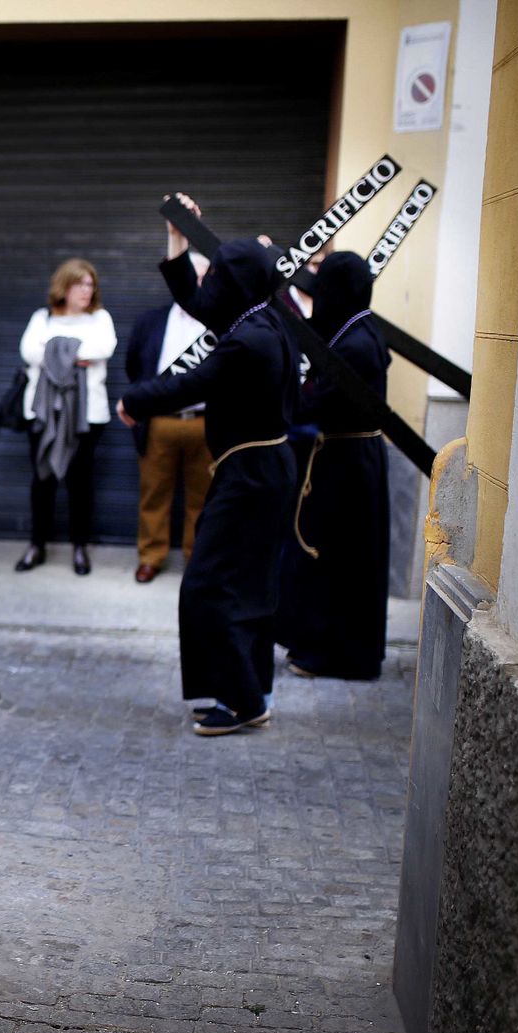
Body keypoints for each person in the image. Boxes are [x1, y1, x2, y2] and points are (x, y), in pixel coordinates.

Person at [117, 194, 300, 737]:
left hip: (250, 478)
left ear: (235, 281)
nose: (210, 281)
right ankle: (253, 692)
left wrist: (134, 400)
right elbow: (198, 301)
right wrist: (179, 235)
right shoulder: (263, 319)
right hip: (262, 471)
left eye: (217, 272)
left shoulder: (248, 341)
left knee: (207, 586)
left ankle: (241, 702)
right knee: (248, 588)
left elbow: (190, 384)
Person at [274, 251, 391, 680]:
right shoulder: (356, 328)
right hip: (345, 458)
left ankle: (339, 655)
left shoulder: (357, 343)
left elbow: (318, 401)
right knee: (334, 554)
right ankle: (319, 642)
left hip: (349, 464)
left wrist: (278, 401)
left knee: (342, 559)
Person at [13, 258, 118, 576]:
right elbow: (30, 352)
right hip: (43, 414)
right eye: (80, 284)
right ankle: (37, 545)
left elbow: (103, 349)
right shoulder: (42, 317)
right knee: (42, 480)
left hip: (87, 416)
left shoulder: (100, 318)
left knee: (80, 482)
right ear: (64, 286)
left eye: (91, 284)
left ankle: (79, 547)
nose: (87, 290)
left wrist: (54, 351)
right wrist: (73, 354)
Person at [124, 247, 213, 583]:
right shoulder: (152, 321)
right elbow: (135, 366)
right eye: (192, 276)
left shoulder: (219, 322)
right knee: (154, 494)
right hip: (160, 422)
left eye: (203, 278)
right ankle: (150, 557)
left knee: (203, 497)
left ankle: (197, 558)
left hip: (205, 423)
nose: (196, 283)